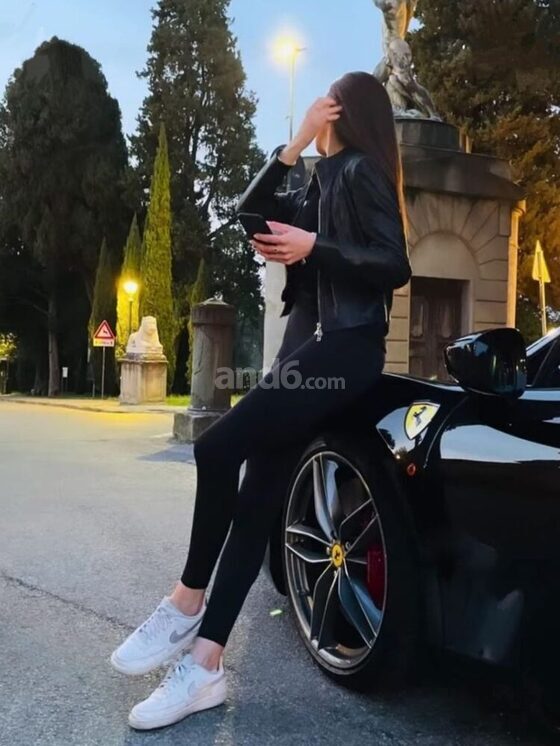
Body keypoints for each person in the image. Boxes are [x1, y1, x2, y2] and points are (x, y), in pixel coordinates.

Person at [111, 71, 411, 732]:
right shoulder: (318, 180)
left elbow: (395, 263)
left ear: (347, 112)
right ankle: (205, 668)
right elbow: (250, 213)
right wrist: (294, 144)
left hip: (345, 348)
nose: (318, 109)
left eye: (327, 102)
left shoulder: (362, 171)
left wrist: (314, 247)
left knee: (217, 447)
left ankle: (186, 602)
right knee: (256, 502)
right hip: (305, 351)